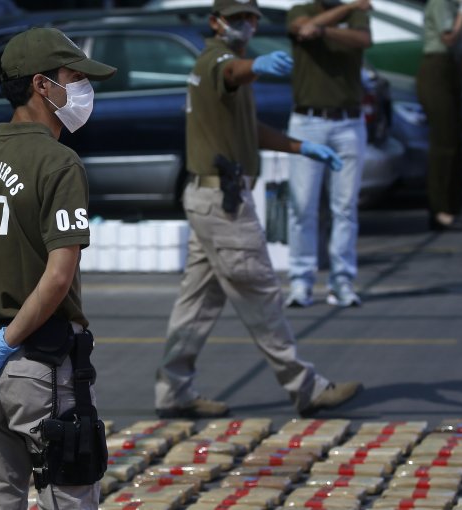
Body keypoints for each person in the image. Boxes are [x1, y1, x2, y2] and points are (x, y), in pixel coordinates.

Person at [0, 27, 116, 508]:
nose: (82, 90)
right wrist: (7, 344)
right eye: (73, 78)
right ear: (41, 85)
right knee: (69, 496)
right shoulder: (59, 165)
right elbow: (58, 276)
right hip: (40, 365)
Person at [154, 0, 362, 419]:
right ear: (215, 23)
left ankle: (174, 390)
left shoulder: (224, 63)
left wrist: (303, 147)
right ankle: (305, 387)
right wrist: (256, 67)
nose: (246, 26)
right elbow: (232, 73)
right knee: (261, 292)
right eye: (236, 19)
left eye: (251, 18)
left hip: (210, 201)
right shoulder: (219, 61)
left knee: (197, 303)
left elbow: (251, 130)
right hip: (224, 204)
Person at [283, 0, 372, 309]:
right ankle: (300, 280)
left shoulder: (355, 13)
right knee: (302, 205)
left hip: (348, 121)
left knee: (345, 207)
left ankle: (342, 280)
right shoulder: (299, 10)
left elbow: (363, 40)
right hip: (307, 121)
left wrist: (322, 28)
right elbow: (301, 29)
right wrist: (339, 18)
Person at [416, 0, 462, 233]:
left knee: (455, 142)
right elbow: (449, 37)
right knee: (444, 142)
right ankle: (440, 211)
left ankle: (452, 207)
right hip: (437, 67)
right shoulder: (442, 3)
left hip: (451, 67)